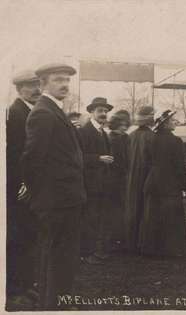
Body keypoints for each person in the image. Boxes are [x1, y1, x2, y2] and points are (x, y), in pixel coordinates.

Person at [21, 63, 86, 310]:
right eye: (58, 80)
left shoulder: (54, 110)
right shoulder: (43, 113)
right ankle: (56, 306)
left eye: (67, 81)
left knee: (61, 256)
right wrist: (42, 198)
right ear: (43, 84)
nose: (65, 85)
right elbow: (32, 159)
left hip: (66, 199)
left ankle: (57, 303)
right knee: (59, 256)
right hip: (57, 202)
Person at [6, 70, 41, 309]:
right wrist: (22, 183)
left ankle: (26, 285)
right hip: (19, 189)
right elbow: (13, 155)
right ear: (19, 90)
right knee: (17, 239)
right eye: (30, 86)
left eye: (37, 85)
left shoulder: (31, 111)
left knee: (30, 237)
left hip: (31, 187)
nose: (36, 90)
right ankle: (14, 290)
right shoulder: (15, 113)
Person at [140, 110, 186, 257]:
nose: (176, 122)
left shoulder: (150, 139)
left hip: (153, 182)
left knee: (153, 214)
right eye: (173, 120)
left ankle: (151, 249)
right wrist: (184, 186)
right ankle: (170, 250)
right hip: (170, 184)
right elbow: (180, 166)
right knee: (171, 216)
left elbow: (145, 162)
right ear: (166, 123)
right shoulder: (176, 141)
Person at [78, 97, 114, 264]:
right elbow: (78, 157)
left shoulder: (103, 132)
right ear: (91, 112)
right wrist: (98, 158)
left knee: (100, 217)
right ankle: (87, 253)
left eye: (106, 111)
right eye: (100, 111)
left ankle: (96, 250)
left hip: (103, 184)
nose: (104, 114)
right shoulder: (84, 132)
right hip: (90, 184)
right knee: (89, 218)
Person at [125, 106, 155, 253]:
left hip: (131, 177)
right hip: (146, 176)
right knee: (146, 208)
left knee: (132, 207)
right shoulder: (152, 137)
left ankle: (130, 242)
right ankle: (142, 243)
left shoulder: (130, 136)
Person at [107, 113, 130, 247]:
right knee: (115, 209)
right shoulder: (112, 139)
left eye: (125, 125)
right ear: (114, 126)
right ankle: (115, 238)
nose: (124, 128)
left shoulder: (125, 138)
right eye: (121, 125)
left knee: (121, 208)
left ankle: (120, 237)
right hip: (114, 178)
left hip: (123, 177)